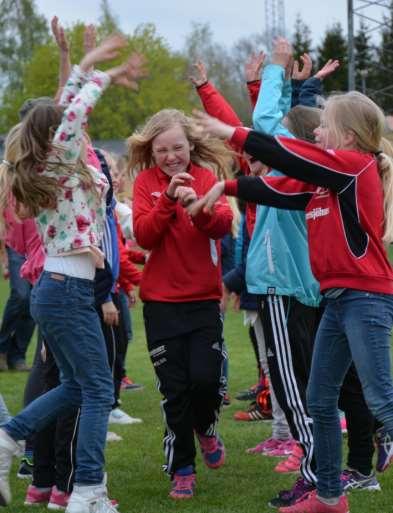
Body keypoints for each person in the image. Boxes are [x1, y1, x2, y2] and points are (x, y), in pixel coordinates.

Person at [190, 87, 393, 513]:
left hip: (365, 299)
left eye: (326, 125)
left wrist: (234, 132)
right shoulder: (326, 183)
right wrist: (225, 185)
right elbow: (279, 189)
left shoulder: (354, 168)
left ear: (350, 137)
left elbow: (289, 157)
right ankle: (329, 499)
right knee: (320, 399)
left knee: (382, 400)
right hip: (337, 301)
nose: (318, 131)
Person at [0, 34, 145, 513]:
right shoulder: (58, 160)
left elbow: (66, 109)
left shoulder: (58, 160)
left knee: (77, 385)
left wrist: (84, 68)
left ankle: (9, 439)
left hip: (63, 287)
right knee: (98, 389)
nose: (77, 126)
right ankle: (86, 492)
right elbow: (73, 112)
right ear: (57, 134)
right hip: (65, 289)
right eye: (68, 125)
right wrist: (99, 71)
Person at [128, 108, 234, 500]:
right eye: (161, 150)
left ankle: (206, 428)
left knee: (206, 382)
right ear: (151, 152)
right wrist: (168, 200)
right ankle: (183, 468)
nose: (171, 157)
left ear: (190, 145)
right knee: (175, 390)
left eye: (177, 148)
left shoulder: (208, 178)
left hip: (204, 302)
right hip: (161, 306)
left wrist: (198, 204)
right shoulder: (144, 183)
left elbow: (222, 225)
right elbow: (144, 236)